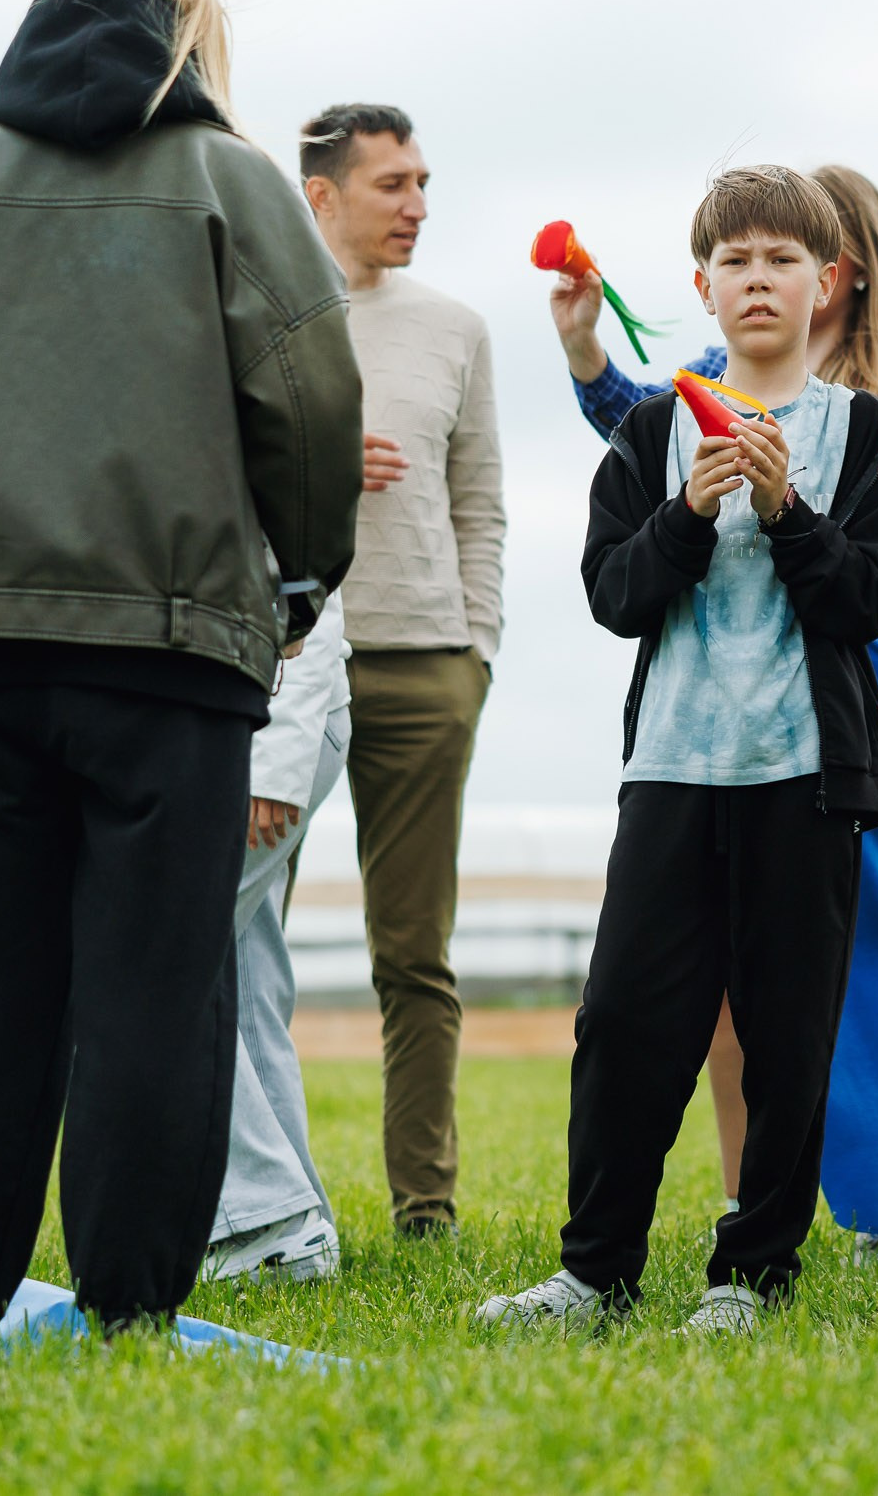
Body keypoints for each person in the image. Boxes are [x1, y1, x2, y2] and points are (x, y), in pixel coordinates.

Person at [0, 0, 363, 1337]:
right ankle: (130, 1307)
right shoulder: (232, 181)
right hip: (173, 647)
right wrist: (301, 580)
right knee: (154, 980)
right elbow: (312, 397)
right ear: (190, 14)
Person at [480, 165, 878, 1334]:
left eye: (782, 260)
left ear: (827, 282)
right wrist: (686, 513)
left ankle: (751, 1274)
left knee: (788, 1038)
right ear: (701, 286)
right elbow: (613, 593)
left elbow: (870, 600)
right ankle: (593, 1273)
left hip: (805, 778)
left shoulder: (865, 432)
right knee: (623, 1023)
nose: (757, 280)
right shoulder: (649, 429)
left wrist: (785, 512)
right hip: (671, 769)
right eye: (735, 261)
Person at [299, 102, 505, 1238]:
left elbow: (481, 502)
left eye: (423, 181)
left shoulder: (456, 328)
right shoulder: (256, 316)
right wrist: (319, 460)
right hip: (282, 665)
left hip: (426, 665)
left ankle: (425, 1208)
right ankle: (256, 1199)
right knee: (233, 939)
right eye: (393, 184)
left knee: (414, 956)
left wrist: (477, 652)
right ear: (321, 195)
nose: (418, 204)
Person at [198, 593, 353, 1285]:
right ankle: (297, 1219)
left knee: (151, 958)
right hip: (239, 733)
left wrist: (280, 760)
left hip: (269, 731)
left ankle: (267, 1220)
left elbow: (309, 586)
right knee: (241, 973)